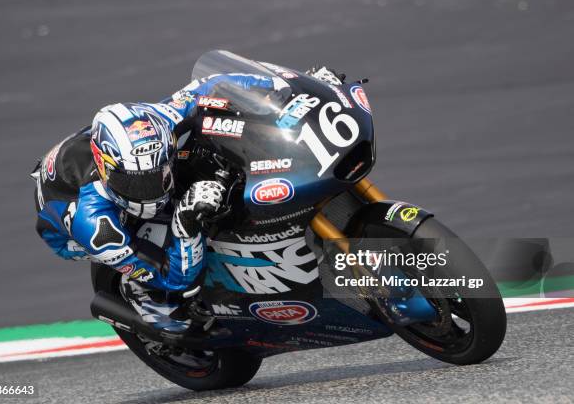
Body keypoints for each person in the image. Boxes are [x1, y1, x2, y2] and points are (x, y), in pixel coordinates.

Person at [32, 67, 343, 334]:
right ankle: (146, 297)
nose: (149, 190)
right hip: (70, 226)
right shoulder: (94, 224)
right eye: (133, 183)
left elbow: (212, 86)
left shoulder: (163, 119)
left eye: (157, 175)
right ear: (106, 169)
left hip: (113, 155)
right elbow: (173, 276)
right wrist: (185, 222)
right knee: (164, 259)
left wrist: (293, 88)